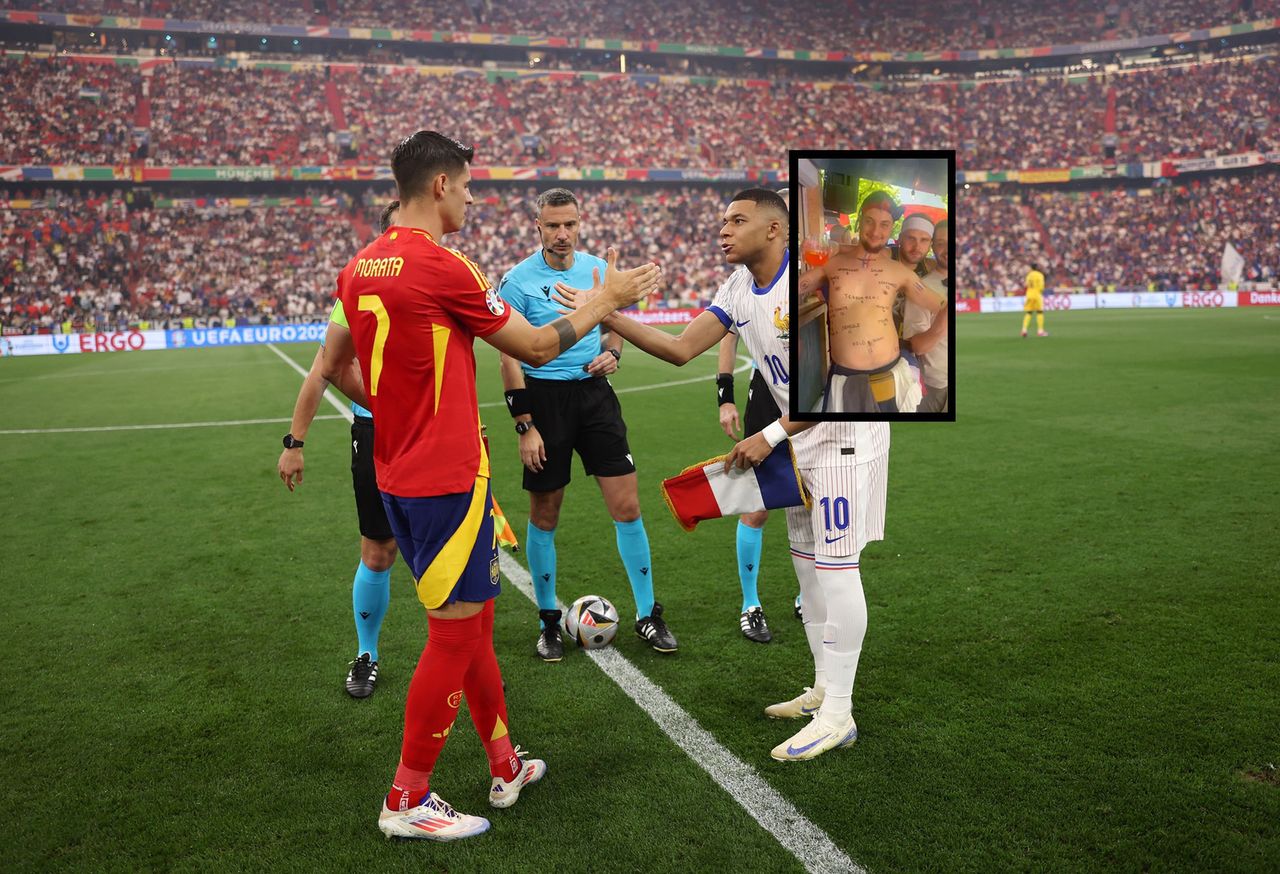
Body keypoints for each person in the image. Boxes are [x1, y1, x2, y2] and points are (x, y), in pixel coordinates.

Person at [319, 131, 661, 839]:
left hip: (399, 474)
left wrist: (401, 413)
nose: (474, 197)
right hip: (445, 478)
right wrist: (610, 300)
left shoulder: (359, 266)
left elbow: (338, 371)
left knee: (471, 625)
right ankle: (407, 799)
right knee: (453, 634)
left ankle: (504, 766)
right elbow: (534, 348)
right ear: (440, 185)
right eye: (469, 184)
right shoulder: (445, 265)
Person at [555, 189, 883, 762]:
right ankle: (824, 688)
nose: (723, 229)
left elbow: (836, 385)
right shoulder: (737, 288)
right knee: (807, 569)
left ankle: (840, 713)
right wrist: (604, 311)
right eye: (722, 220)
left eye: (737, 220)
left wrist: (769, 437)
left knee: (835, 570)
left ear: (776, 230)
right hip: (800, 439)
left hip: (845, 437)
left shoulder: (818, 285)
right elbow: (681, 348)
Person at [498, 187, 677, 661]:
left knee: (628, 505)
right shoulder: (516, 281)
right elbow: (510, 359)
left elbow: (613, 322)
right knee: (545, 515)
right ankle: (549, 623)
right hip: (543, 400)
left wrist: (612, 353)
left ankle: (647, 614)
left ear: (581, 223)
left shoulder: (599, 270)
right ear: (537, 227)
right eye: (552, 225)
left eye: (570, 224)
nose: (562, 233)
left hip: (595, 397)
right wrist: (525, 425)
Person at [277, 199, 401, 699]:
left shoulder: (445, 278)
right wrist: (295, 442)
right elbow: (321, 369)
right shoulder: (358, 290)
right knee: (378, 551)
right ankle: (366, 653)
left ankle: (460, 656)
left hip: (437, 436)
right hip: (376, 433)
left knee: (444, 552)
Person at [802, 191, 944, 413]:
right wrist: (800, 261)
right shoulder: (833, 264)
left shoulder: (901, 272)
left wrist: (931, 336)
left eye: (884, 224)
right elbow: (795, 289)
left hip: (891, 374)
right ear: (859, 222)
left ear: (891, 228)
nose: (876, 231)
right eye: (870, 221)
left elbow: (944, 306)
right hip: (845, 377)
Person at [715, 331, 776, 642]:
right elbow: (728, 334)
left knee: (814, 495)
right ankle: (750, 603)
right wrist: (725, 397)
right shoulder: (749, 284)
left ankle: (809, 596)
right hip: (767, 390)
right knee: (757, 507)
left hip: (813, 386)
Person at [903, 219, 950, 412]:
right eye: (940, 243)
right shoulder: (921, 287)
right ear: (933, 247)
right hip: (940, 387)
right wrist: (943, 322)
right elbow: (918, 347)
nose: (947, 248)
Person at [1022, 262, 1048, 337]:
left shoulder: (1029, 275)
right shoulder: (1040, 275)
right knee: (1040, 312)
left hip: (1029, 294)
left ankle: (1024, 329)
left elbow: (1026, 285)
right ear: (1037, 268)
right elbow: (1041, 287)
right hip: (1037, 294)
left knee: (1028, 313)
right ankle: (1040, 331)